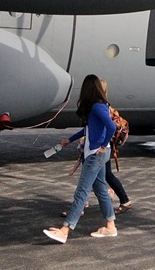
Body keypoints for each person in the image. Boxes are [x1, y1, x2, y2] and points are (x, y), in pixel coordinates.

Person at [44, 75, 118, 243]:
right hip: (98, 153)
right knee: (100, 191)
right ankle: (110, 227)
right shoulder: (100, 106)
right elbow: (88, 130)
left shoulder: (97, 107)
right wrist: (68, 140)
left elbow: (111, 126)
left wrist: (102, 145)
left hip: (95, 155)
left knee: (81, 192)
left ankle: (65, 230)